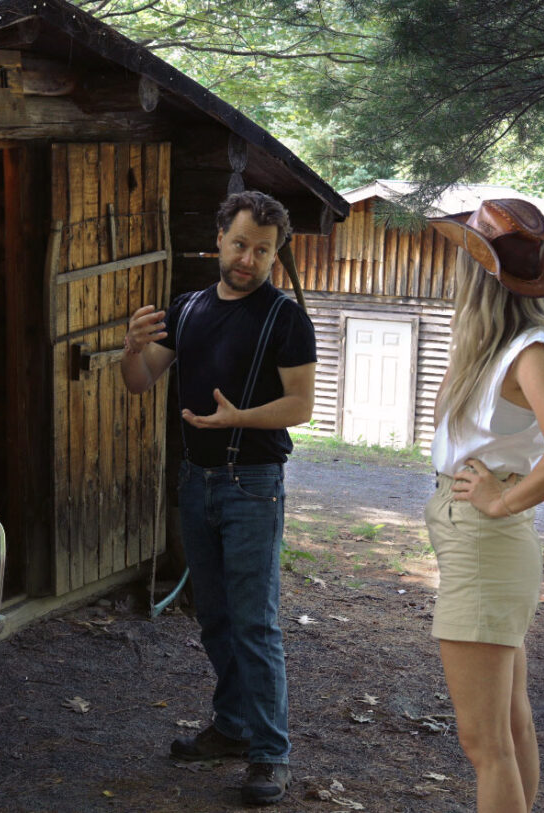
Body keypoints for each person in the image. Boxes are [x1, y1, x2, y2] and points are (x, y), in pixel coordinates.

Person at [121, 190, 317, 806]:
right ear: (219, 239)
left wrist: (240, 418)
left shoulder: (285, 318)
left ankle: (270, 754)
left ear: (274, 254)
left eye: (262, 250)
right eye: (240, 244)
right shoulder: (188, 309)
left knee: (254, 622)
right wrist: (130, 347)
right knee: (214, 618)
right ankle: (232, 728)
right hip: (195, 482)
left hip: (252, 484)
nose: (248, 259)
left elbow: (301, 406)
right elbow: (138, 381)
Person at [426, 199, 544, 812]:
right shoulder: (501, 345)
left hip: (486, 547)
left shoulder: (530, 352)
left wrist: (500, 502)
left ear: (482, 275)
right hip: (480, 547)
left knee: (484, 743)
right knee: (510, 727)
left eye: (466, 259)